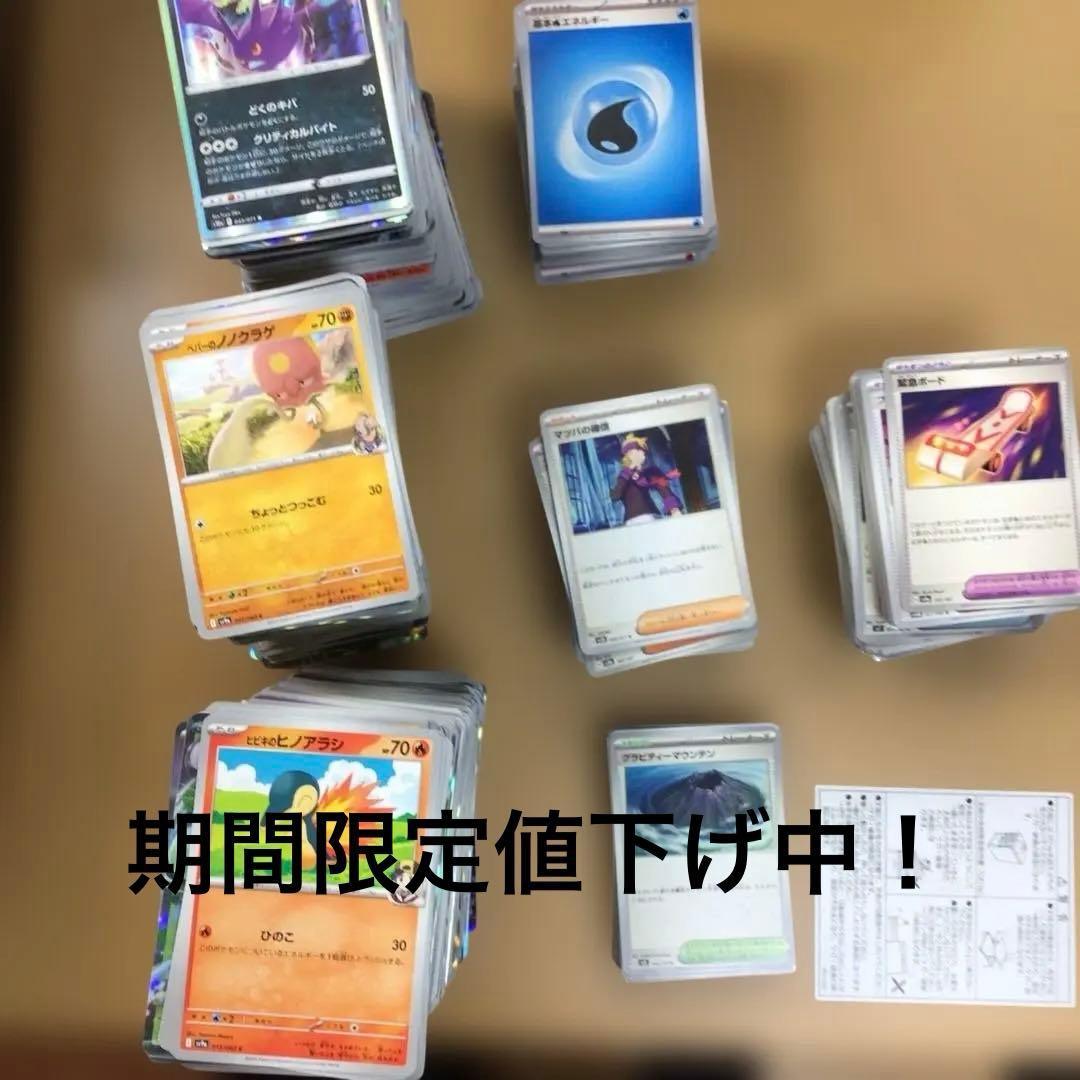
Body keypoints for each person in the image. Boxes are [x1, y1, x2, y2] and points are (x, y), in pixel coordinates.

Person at [610, 434, 684, 524]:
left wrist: (674, 509)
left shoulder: (650, 471)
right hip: (632, 521)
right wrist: (628, 471)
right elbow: (616, 495)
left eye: (642, 451)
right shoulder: (624, 475)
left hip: (651, 516)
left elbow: (664, 489)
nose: (643, 453)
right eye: (638, 450)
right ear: (628, 455)